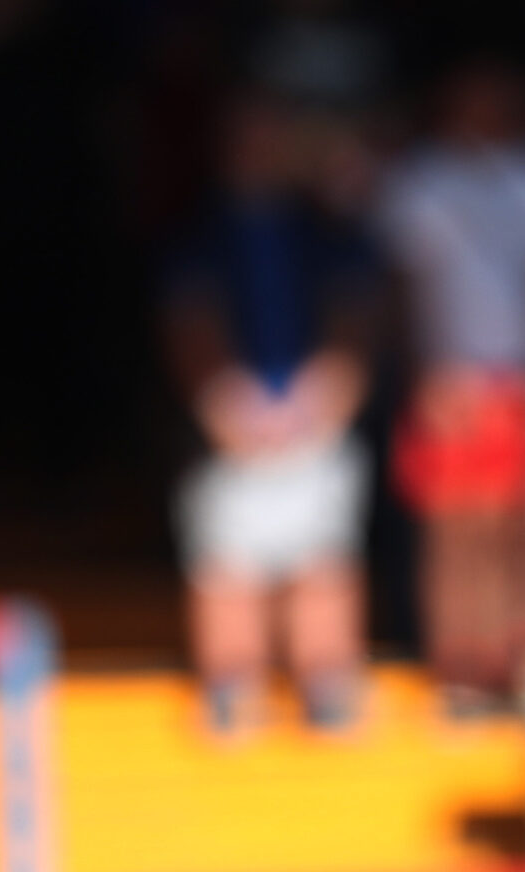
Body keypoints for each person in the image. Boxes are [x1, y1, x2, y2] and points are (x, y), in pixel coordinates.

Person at [378, 59, 525, 709]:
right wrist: (426, 378)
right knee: (457, 532)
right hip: (452, 380)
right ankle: (462, 666)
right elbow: (402, 292)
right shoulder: (420, 182)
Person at [164, 94, 378, 734]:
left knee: (323, 563)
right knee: (228, 568)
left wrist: (332, 393)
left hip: (318, 422)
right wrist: (221, 402)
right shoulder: (196, 231)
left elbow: (357, 320)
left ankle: (328, 687)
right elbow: (186, 324)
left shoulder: (327, 229)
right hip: (228, 429)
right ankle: (233, 689)